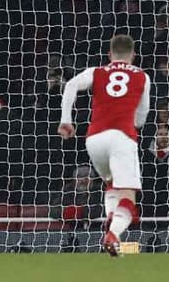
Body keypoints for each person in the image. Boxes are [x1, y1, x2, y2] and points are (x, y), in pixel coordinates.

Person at [58, 35, 150, 256]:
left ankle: (111, 220)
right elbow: (140, 119)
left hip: (94, 139)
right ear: (133, 55)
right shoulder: (143, 76)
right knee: (128, 195)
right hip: (121, 136)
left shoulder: (96, 71)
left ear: (109, 55)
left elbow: (71, 84)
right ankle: (114, 233)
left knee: (111, 183)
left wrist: (66, 120)